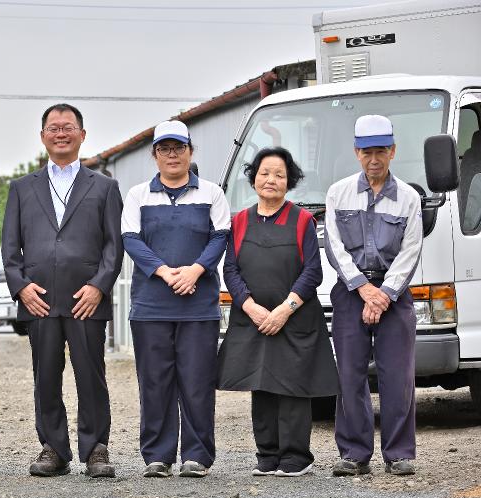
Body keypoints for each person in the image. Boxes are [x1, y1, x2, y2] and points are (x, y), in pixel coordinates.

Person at [2, 103, 123, 478]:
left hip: (86, 298)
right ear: (43, 136)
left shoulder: (104, 186)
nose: (60, 133)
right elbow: (10, 248)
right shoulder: (22, 188)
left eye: (68, 127)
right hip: (39, 298)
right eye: (53, 128)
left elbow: (114, 245)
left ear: (82, 135)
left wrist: (99, 286)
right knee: (45, 377)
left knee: (91, 375)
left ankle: (96, 448)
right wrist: (21, 288)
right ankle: (53, 448)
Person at [217, 147, 339, 477]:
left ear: (289, 181)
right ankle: (267, 455)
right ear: (254, 178)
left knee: (293, 386)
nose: (271, 179)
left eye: (279, 175)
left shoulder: (302, 220)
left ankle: (296, 458)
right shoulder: (239, 221)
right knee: (261, 385)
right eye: (265, 173)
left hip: (295, 319)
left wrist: (285, 310)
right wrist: (250, 307)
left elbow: (312, 272)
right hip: (253, 319)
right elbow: (230, 270)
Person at [121, 120, 230, 478]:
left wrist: (195, 271)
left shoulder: (212, 193)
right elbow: (131, 240)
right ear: (154, 155)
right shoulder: (138, 195)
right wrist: (166, 273)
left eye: (178, 148)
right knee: (155, 382)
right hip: (151, 307)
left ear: (190, 151)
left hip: (198, 306)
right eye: (164, 149)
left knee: (197, 381)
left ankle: (197, 455)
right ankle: (158, 455)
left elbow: (220, 237)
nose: (172, 155)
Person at [324, 115, 423, 476]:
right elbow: (334, 247)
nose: (374, 159)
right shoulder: (338, 193)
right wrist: (363, 289)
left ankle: (399, 454)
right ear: (357, 153)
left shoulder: (409, 198)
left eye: (381, 151)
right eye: (367, 152)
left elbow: (411, 251)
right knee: (349, 375)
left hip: (393, 294)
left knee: (397, 375)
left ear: (393, 151)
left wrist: (383, 295)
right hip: (351, 291)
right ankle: (354, 453)